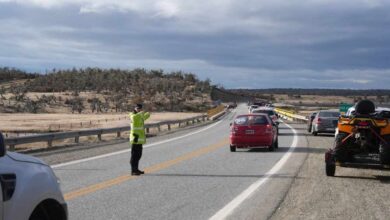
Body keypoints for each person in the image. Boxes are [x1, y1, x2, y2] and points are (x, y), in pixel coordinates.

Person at [129, 104, 150, 175]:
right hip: (135, 138)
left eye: (140, 109)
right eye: (137, 108)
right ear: (134, 108)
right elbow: (135, 118)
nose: (139, 110)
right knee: (134, 155)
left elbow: (145, 117)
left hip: (139, 139)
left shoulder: (139, 116)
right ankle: (133, 170)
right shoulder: (133, 115)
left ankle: (136, 169)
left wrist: (148, 113)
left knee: (139, 154)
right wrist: (141, 113)